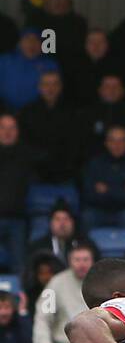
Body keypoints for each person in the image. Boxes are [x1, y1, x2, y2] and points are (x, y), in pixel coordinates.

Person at [32, 240, 95, 343]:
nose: (81, 264)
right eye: (77, 260)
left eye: (85, 259)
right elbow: (43, 316)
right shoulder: (56, 283)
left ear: (92, 261)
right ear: (70, 261)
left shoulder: (103, 282)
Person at [82, 125, 125, 229]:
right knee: (87, 216)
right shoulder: (95, 164)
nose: (117, 145)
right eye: (112, 140)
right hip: (98, 210)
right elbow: (89, 194)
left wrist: (107, 190)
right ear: (106, 143)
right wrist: (123, 190)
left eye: (122, 140)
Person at [18, 70, 78, 183]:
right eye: (46, 84)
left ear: (60, 87)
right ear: (39, 87)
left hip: (65, 169)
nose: (50, 88)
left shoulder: (72, 113)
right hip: (34, 168)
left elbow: (75, 144)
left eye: (55, 84)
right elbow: (23, 143)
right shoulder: (27, 112)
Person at [24, 0, 88, 75]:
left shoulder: (79, 23)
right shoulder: (34, 20)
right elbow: (26, 47)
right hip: (39, 71)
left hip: (72, 72)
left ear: (68, 0)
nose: (58, 1)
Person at [0, 112, 35, 272]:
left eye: (12, 128)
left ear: (18, 131)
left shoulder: (27, 156)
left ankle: (20, 296)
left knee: (20, 266)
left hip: (17, 220)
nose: (7, 132)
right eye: (3, 128)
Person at [0, 28, 59, 110]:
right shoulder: (4, 61)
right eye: (27, 39)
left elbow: (55, 92)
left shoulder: (49, 64)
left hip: (37, 113)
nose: (31, 43)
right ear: (20, 42)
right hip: (4, 111)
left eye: (36, 40)